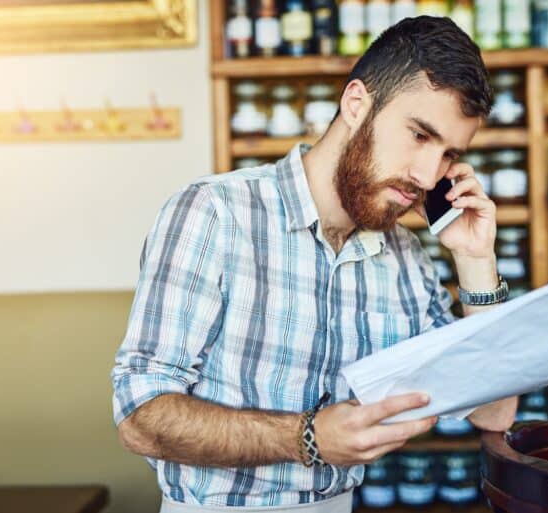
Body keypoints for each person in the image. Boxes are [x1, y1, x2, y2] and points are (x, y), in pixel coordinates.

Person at [112, 15, 517, 512]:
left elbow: (495, 412)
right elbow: (141, 415)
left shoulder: (407, 258)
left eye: (448, 154)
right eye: (418, 135)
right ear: (356, 104)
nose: (426, 174)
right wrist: (307, 437)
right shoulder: (214, 213)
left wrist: (475, 259)